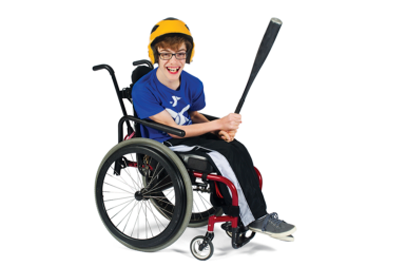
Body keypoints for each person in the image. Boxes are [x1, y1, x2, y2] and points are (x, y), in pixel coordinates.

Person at [132, 17, 296, 241]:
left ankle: (233, 211)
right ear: (155, 55)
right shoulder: (143, 89)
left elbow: (192, 115)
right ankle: (256, 218)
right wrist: (219, 123)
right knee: (224, 155)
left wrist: (217, 131)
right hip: (166, 143)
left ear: (188, 54)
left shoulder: (193, 83)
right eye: (166, 53)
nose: (174, 60)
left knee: (237, 148)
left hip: (187, 135)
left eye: (180, 53)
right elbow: (173, 130)